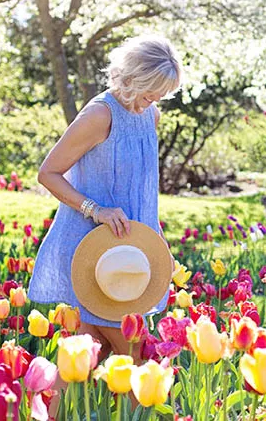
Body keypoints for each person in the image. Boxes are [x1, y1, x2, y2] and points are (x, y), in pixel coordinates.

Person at [27, 34, 181, 412]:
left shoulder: (150, 115)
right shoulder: (100, 115)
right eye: (149, 92)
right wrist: (97, 210)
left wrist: (157, 243)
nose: (153, 102)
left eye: (160, 95)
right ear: (130, 79)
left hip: (130, 251)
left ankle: (39, 413)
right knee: (135, 356)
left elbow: (142, 191)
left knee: (85, 350)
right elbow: (48, 173)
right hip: (95, 252)